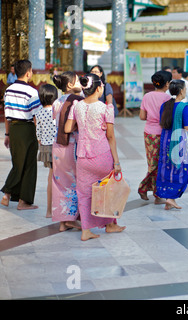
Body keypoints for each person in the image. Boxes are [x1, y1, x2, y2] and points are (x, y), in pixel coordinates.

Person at [65, 74, 125, 241]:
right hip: (102, 156)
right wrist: (117, 162)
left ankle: (86, 230)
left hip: (82, 157)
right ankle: (111, 224)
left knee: (84, 193)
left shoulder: (76, 106)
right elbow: (111, 137)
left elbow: (68, 128)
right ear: (99, 88)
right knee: (107, 190)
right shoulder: (106, 108)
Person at [1, 59, 40, 210]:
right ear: (29, 73)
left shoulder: (8, 90)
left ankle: (10, 196)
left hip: (14, 129)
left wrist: (7, 134)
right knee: (28, 165)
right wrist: (39, 135)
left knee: (17, 163)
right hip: (27, 129)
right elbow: (36, 116)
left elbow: (6, 115)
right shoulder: (31, 91)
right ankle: (16, 197)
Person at [52, 71, 84, 232]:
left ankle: (62, 221)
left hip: (57, 146)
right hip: (72, 145)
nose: (81, 82)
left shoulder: (57, 102)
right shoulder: (78, 102)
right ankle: (71, 218)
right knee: (73, 181)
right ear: (70, 85)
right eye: (78, 80)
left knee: (59, 182)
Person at [155, 80, 188, 210]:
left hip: (165, 141)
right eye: (185, 89)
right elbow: (187, 127)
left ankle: (168, 200)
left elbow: (162, 122)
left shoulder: (164, 106)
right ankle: (171, 198)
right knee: (179, 169)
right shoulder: (183, 107)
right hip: (178, 142)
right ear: (181, 91)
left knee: (166, 169)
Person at [138, 70, 171, 203]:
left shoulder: (147, 96)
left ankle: (157, 194)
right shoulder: (168, 98)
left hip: (148, 134)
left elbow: (142, 116)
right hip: (162, 134)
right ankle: (144, 188)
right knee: (158, 164)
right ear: (167, 84)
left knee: (152, 163)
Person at [36, 84, 58, 218]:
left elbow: (38, 134)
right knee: (59, 178)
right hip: (56, 147)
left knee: (50, 177)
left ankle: (49, 210)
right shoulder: (56, 111)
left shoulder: (38, 113)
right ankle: (56, 209)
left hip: (45, 147)